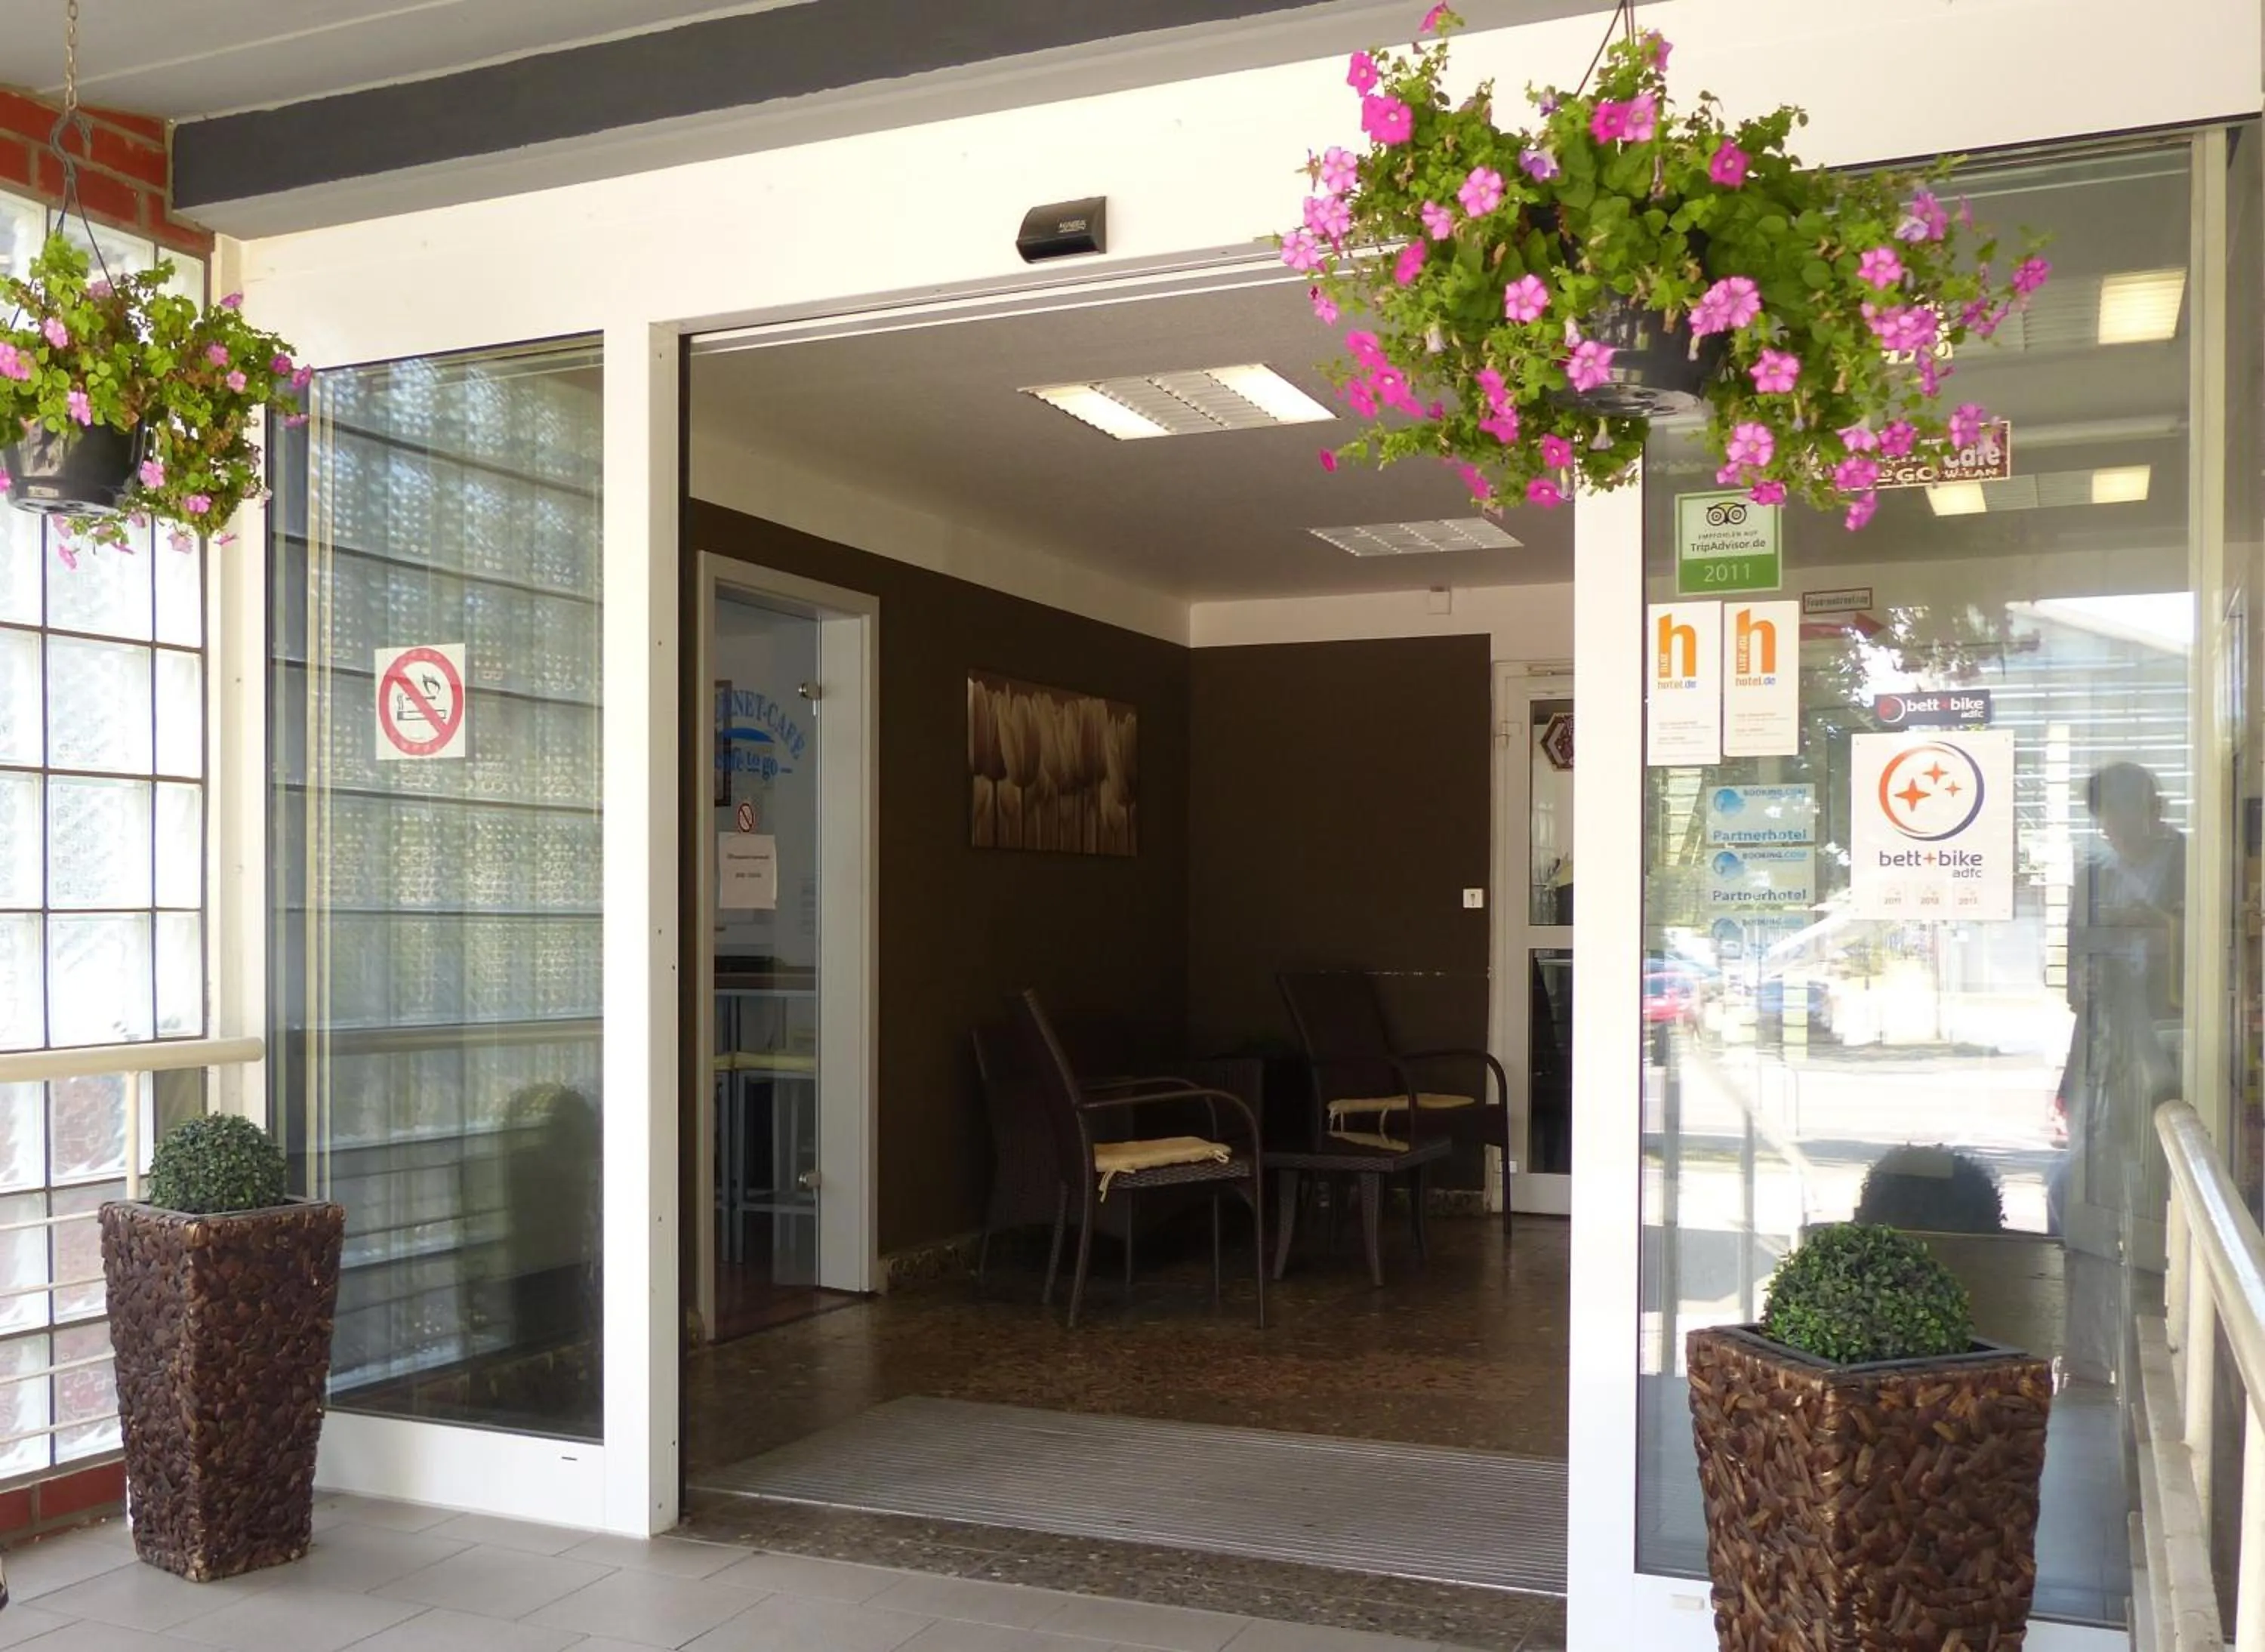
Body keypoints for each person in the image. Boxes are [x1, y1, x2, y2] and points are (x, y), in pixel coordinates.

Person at [2050, 761, 2184, 1387]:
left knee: (2163, 1188)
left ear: (2149, 807)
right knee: (2083, 1190)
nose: (2111, 828)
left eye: (2121, 812)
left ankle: (2165, 1337)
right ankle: (2091, 1352)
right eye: (2102, 817)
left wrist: (2153, 930)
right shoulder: (2092, 874)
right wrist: (2083, 981)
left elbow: (2204, 950)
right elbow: (2073, 969)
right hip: (2103, 1050)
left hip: (2173, 1049)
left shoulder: (2191, 859)